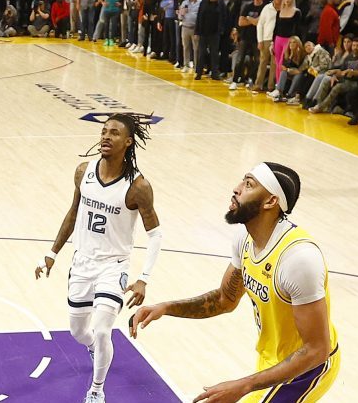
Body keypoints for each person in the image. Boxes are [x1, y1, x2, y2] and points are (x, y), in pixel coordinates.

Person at [131, 163, 339, 403]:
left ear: (270, 201)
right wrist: (166, 308)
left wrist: (243, 385)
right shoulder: (245, 238)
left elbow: (317, 349)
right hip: (273, 359)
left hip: (307, 368)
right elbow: (224, 299)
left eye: (249, 185)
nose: (236, 189)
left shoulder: (298, 259)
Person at [35, 113, 162, 403]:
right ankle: (92, 347)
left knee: (104, 330)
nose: (106, 136)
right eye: (104, 131)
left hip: (113, 267)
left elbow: (155, 234)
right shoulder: (84, 171)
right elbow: (73, 213)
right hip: (82, 264)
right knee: (79, 332)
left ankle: (96, 391)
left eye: (114, 133)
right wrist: (52, 254)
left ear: (128, 142)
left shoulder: (138, 187)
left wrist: (144, 278)